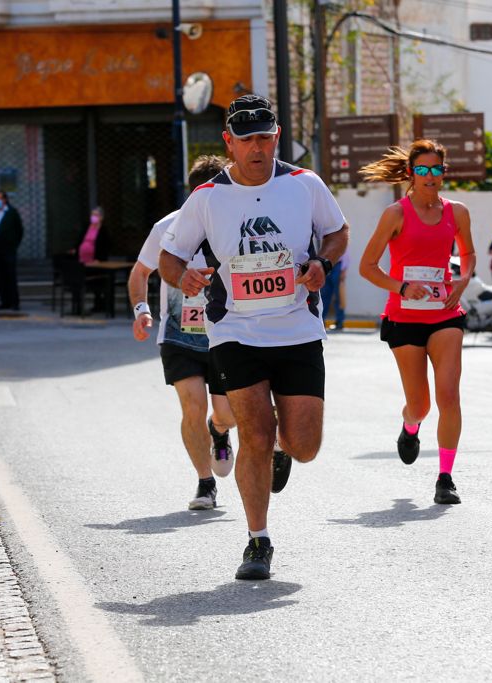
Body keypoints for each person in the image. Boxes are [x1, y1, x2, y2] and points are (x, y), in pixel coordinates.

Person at [158, 94, 349, 581]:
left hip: (298, 327)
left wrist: (321, 264)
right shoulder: (206, 199)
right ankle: (257, 540)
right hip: (235, 331)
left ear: (277, 136)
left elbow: (338, 232)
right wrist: (185, 278)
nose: (257, 148)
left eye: (265, 137)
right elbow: (169, 257)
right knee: (256, 434)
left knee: (304, 445)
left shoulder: (305, 185)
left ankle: (287, 449)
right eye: (247, 140)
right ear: (230, 142)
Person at [358, 139, 477, 506]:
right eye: (422, 170)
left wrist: (463, 279)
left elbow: (468, 253)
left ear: (444, 172)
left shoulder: (456, 212)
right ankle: (411, 426)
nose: (429, 176)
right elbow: (368, 267)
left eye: (436, 169)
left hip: (445, 315)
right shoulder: (396, 214)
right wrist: (402, 287)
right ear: (411, 173)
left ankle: (445, 477)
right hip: (405, 318)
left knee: (449, 396)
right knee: (421, 405)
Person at [129, 155, 238, 510]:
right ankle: (205, 484)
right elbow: (140, 273)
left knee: (227, 415)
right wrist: (141, 310)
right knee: (192, 406)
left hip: (224, 336)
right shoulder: (167, 228)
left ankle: (219, 432)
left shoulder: (235, 225)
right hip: (179, 336)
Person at [0, 191, 24, 311]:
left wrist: (14, 244)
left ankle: (14, 302)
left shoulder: (11, 213)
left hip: (8, 248)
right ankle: (4, 301)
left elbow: (19, 230)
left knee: (10, 275)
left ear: (5, 200)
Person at [320, 251, 350, 330]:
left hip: (337, 266)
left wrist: (343, 270)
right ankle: (321, 321)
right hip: (327, 265)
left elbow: (345, 254)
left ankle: (339, 322)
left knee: (339, 296)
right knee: (324, 296)